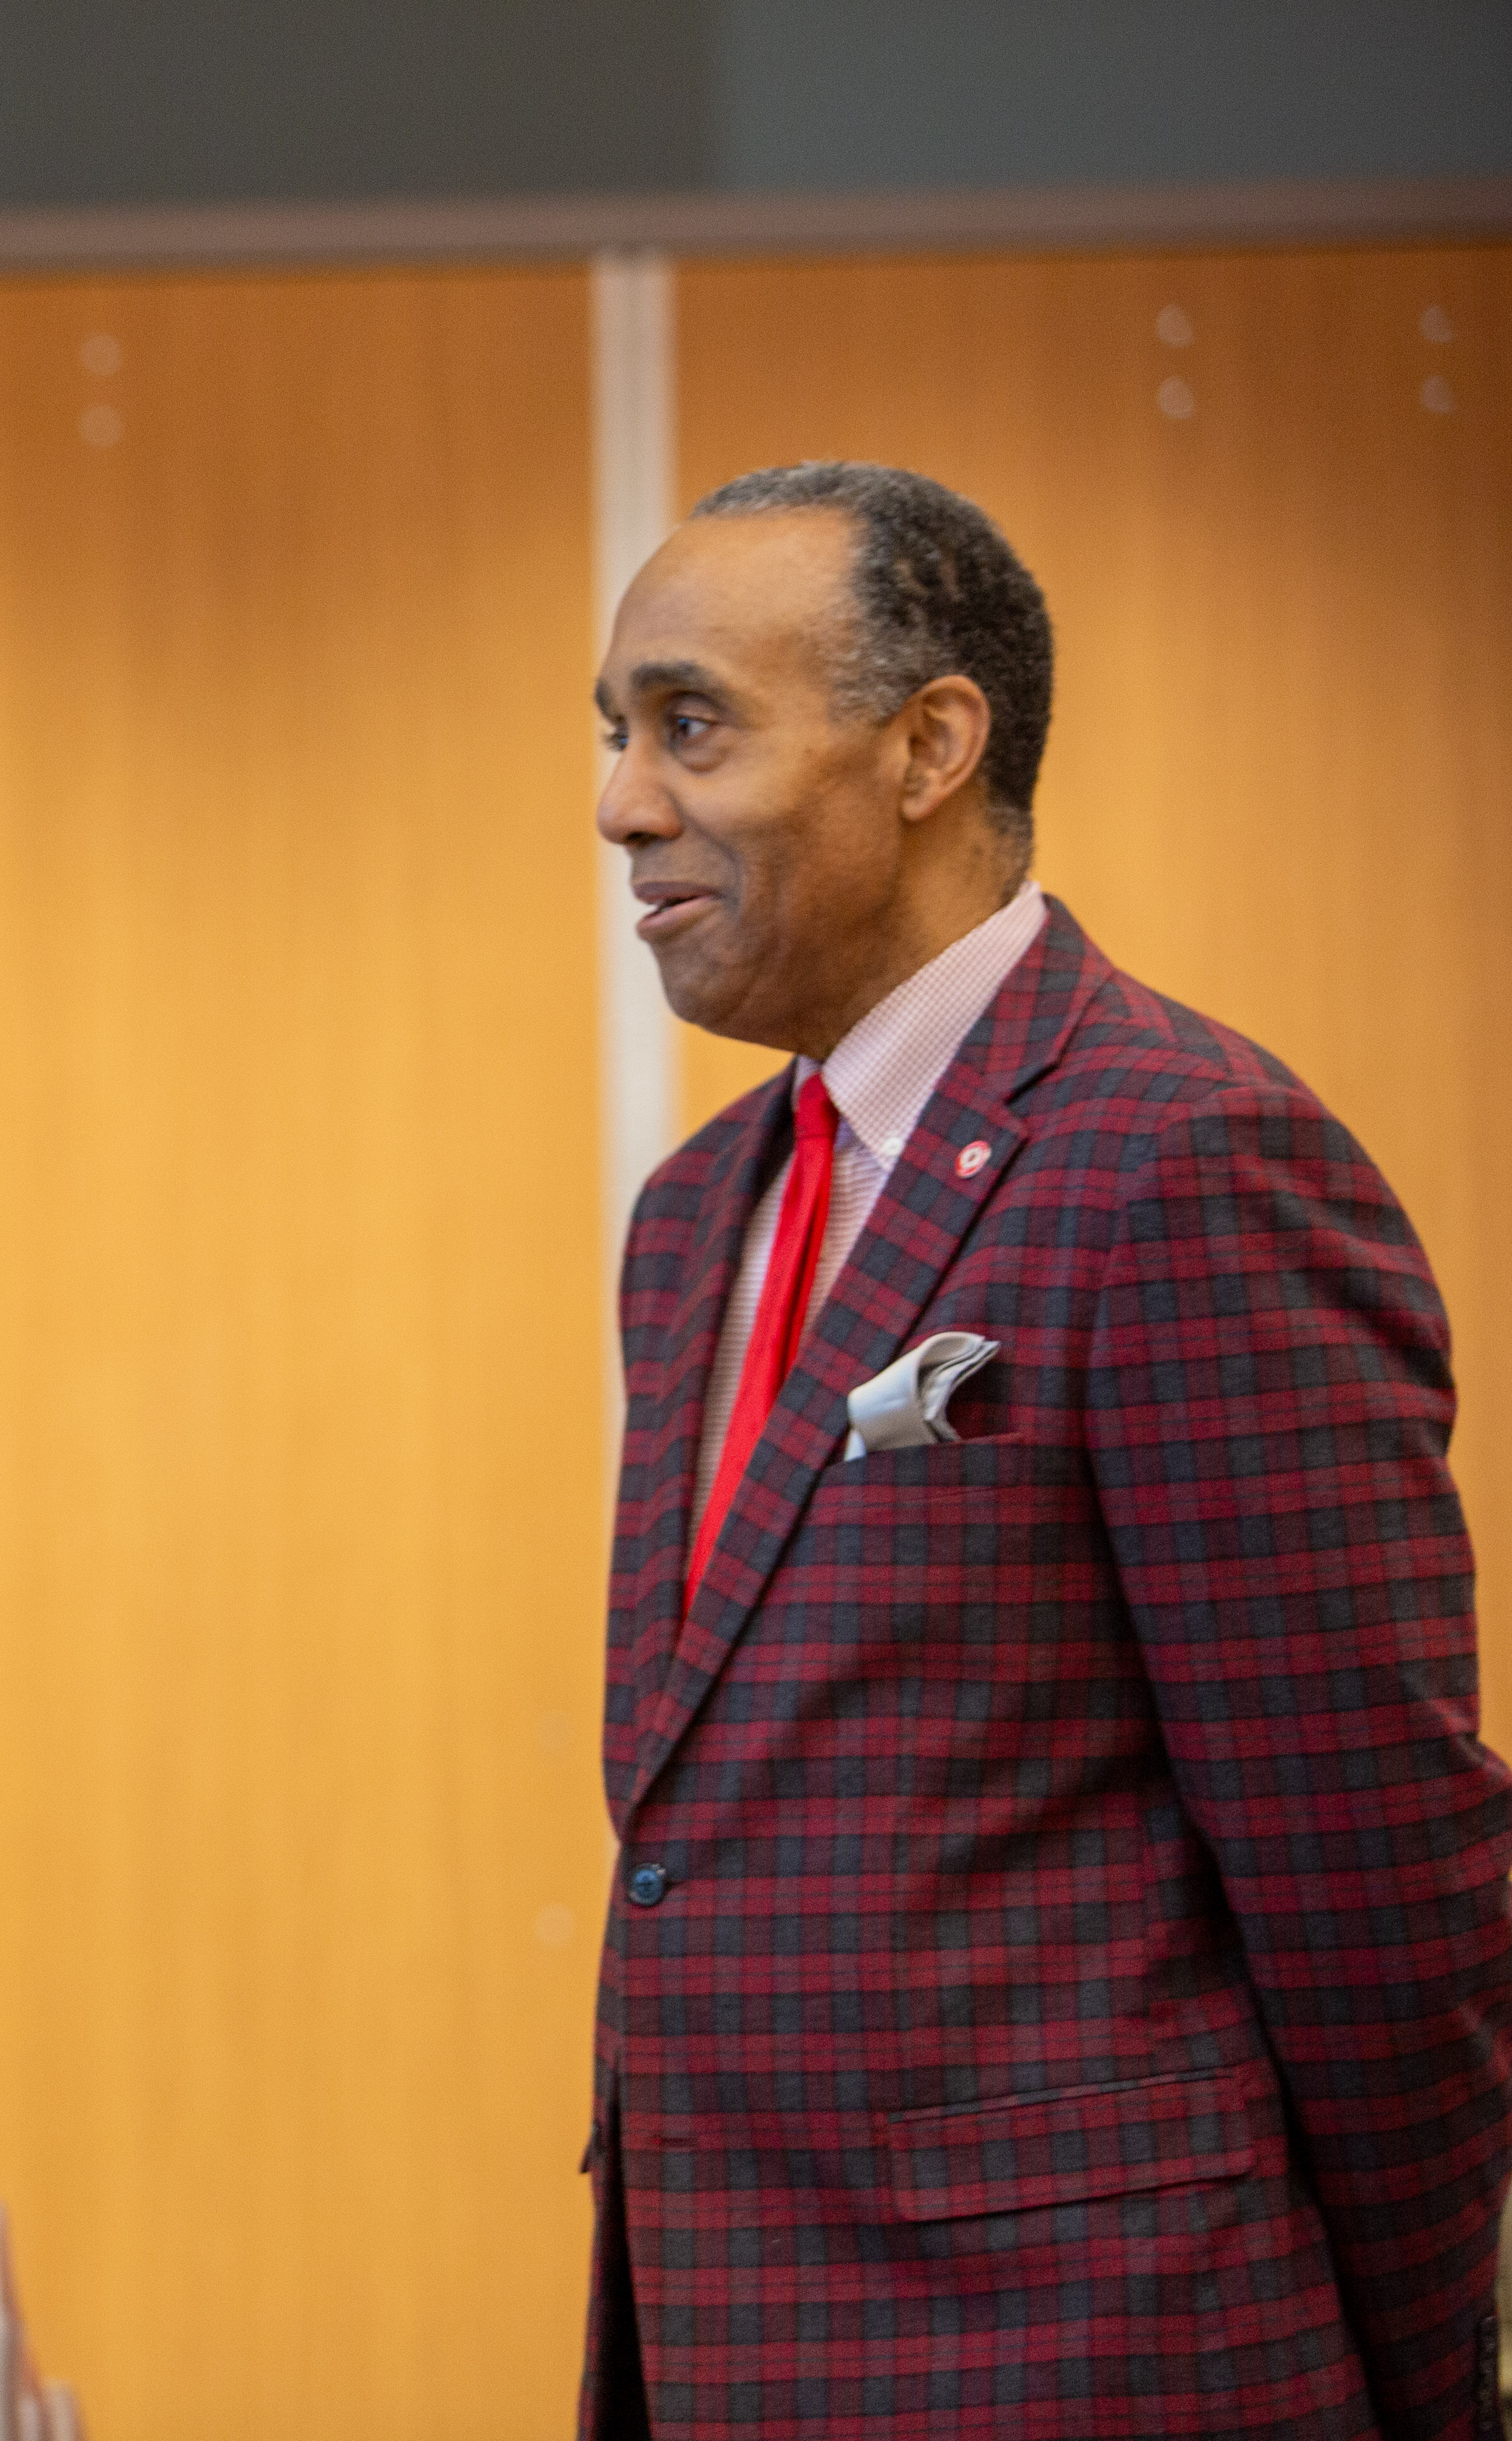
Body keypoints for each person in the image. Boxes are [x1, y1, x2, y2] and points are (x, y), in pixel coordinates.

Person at [582, 462, 1512, 2441]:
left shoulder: (1182, 1156)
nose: (622, 805)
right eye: (613, 736)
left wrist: (1426, 2389)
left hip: (1097, 2368)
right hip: (736, 2355)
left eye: (693, 725)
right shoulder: (695, 1218)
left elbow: (1374, 1874)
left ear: (929, 746)